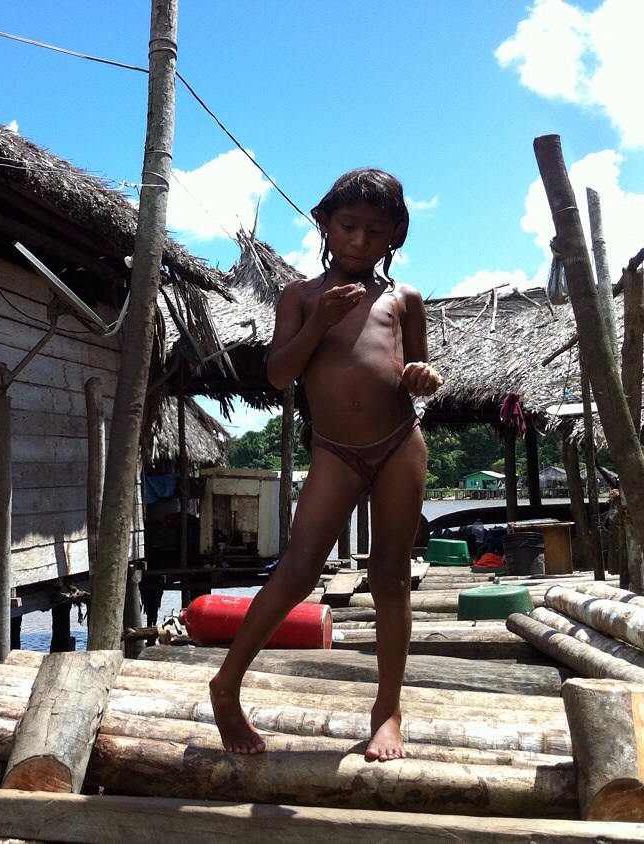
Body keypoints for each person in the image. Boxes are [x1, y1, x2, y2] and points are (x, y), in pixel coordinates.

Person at [208, 168, 442, 762]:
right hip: (334, 450)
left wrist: (424, 377)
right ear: (325, 226)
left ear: (394, 235)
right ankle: (226, 684)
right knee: (298, 569)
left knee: (391, 577)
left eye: (375, 230)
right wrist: (319, 323)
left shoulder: (403, 299)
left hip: (398, 443)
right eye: (348, 226)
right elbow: (280, 373)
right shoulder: (301, 297)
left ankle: (386, 709)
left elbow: (421, 376)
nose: (360, 240)